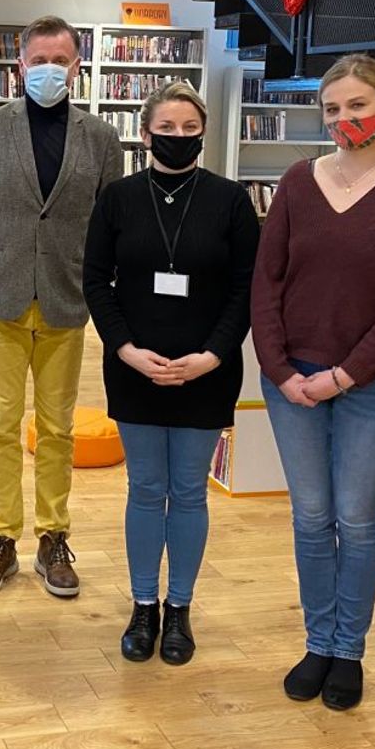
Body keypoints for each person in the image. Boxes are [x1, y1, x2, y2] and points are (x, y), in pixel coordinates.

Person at [251, 54, 375, 712]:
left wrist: (344, 375)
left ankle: (349, 651)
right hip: (292, 384)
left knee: (357, 521)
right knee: (311, 518)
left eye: (357, 105)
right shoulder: (298, 181)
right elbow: (267, 281)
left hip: (373, 385)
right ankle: (318, 643)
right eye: (332, 108)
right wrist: (280, 370)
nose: (344, 119)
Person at [83, 82, 259, 665]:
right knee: (144, 488)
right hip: (133, 368)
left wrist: (213, 354)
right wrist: (125, 349)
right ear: (144, 134)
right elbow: (95, 282)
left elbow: (245, 288)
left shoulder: (231, 202)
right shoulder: (117, 199)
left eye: (189, 129)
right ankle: (143, 606)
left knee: (187, 491)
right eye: (167, 128)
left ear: (203, 134)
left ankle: (179, 607)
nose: (178, 137)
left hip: (206, 371)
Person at [0, 15, 123, 600]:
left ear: (77, 67)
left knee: (57, 428)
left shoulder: (101, 138)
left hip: (64, 300)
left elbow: (109, 226)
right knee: (0, 427)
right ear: (20, 65)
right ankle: (2, 538)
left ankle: (53, 537)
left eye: (61, 60)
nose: (49, 69)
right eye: (39, 60)